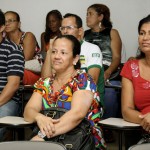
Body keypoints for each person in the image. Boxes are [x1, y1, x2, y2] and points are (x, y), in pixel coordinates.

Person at [24, 34, 106, 149]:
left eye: (63, 53)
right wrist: (39, 117)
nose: (56, 56)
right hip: (49, 140)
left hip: (81, 141)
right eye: (54, 52)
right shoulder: (44, 83)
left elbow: (77, 115)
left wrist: (42, 136)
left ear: (75, 59)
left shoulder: (83, 80)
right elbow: (29, 111)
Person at [41, 13, 105, 104]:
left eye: (69, 28)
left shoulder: (92, 49)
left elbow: (92, 80)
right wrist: (50, 50)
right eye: (62, 28)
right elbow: (44, 82)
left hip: (86, 102)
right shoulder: (57, 52)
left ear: (80, 31)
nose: (65, 31)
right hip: (59, 102)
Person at [84, 3, 122, 142]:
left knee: (110, 94)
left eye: (90, 14)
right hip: (89, 70)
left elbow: (117, 57)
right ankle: (89, 127)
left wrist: (108, 72)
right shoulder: (84, 34)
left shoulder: (112, 32)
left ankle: (107, 128)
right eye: (86, 13)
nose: (87, 17)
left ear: (100, 17)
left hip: (109, 71)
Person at [121, 14, 150, 149]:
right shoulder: (131, 66)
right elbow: (126, 110)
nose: (145, 38)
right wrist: (147, 120)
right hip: (144, 133)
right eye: (142, 33)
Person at [0, 10, 24, 141]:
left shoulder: (13, 50)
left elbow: (13, 84)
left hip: (6, 100)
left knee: (3, 115)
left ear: (2, 27)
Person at [4, 11, 43, 85]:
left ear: (19, 24)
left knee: (12, 74)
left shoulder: (28, 36)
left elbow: (26, 59)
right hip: (12, 71)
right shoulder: (4, 40)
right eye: (5, 21)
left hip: (31, 72)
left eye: (11, 21)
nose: (7, 24)